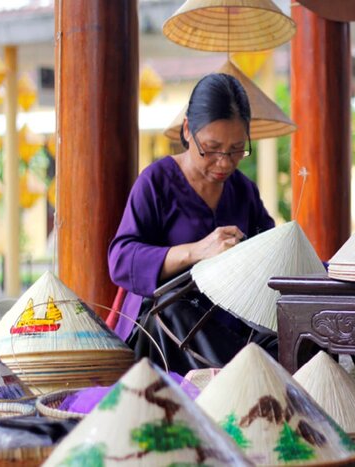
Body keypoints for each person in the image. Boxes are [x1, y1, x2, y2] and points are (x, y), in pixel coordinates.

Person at [108, 73, 276, 374]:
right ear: (187, 130)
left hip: (232, 326)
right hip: (166, 333)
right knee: (175, 309)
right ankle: (237, 383)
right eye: (211, 148)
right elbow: (120, 260)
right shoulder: (156, 182)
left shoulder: (244, 191)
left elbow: (270, 254)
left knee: (291, 334)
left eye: (237, 149)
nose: (224, 162)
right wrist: (197, 251)